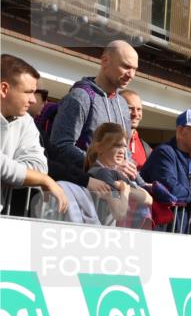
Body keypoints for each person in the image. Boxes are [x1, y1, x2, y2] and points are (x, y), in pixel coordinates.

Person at [47, 40, 138, 188]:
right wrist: (105, 165)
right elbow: (60, 146)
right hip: (82, 187)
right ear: (105, 61)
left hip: (114, 192)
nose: (131, 74)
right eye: (126, 66)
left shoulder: (122, 104)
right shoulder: (80, 97)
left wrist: (144, 184)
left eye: (135, 69)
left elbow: (126, 155)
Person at [1, 54, 67, 213]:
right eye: (28, 92)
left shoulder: (26, 121)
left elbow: (39, 167)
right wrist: (43, 180)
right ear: (4, 89)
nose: (33, 100)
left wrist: (13, 175)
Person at [142, 109, 191, 231]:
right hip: (160, 234)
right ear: (180, 131)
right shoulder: (164, 153)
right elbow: (170, 188)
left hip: (184, 233)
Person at [84, 123, 152, 226]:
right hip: (101, 232)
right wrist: (124, 190)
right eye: (116, 145)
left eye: (124, 146)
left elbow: (148, 198)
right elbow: (119, 213)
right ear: (99, 147)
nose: (122, 151)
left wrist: (126, 189)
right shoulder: (102, 173)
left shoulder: (114, 173)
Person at [119, 89, 152, 170]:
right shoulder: (106, 141)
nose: (136, 114)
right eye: (130, 108)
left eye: (139, 109)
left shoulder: (147, 150)